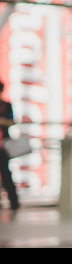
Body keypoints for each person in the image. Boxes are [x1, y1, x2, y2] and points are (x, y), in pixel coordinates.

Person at [0, 79, 18, 210]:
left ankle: (14, 203)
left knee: (6, 174)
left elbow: (12, 122)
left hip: (3, 145)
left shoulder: (6, 106)